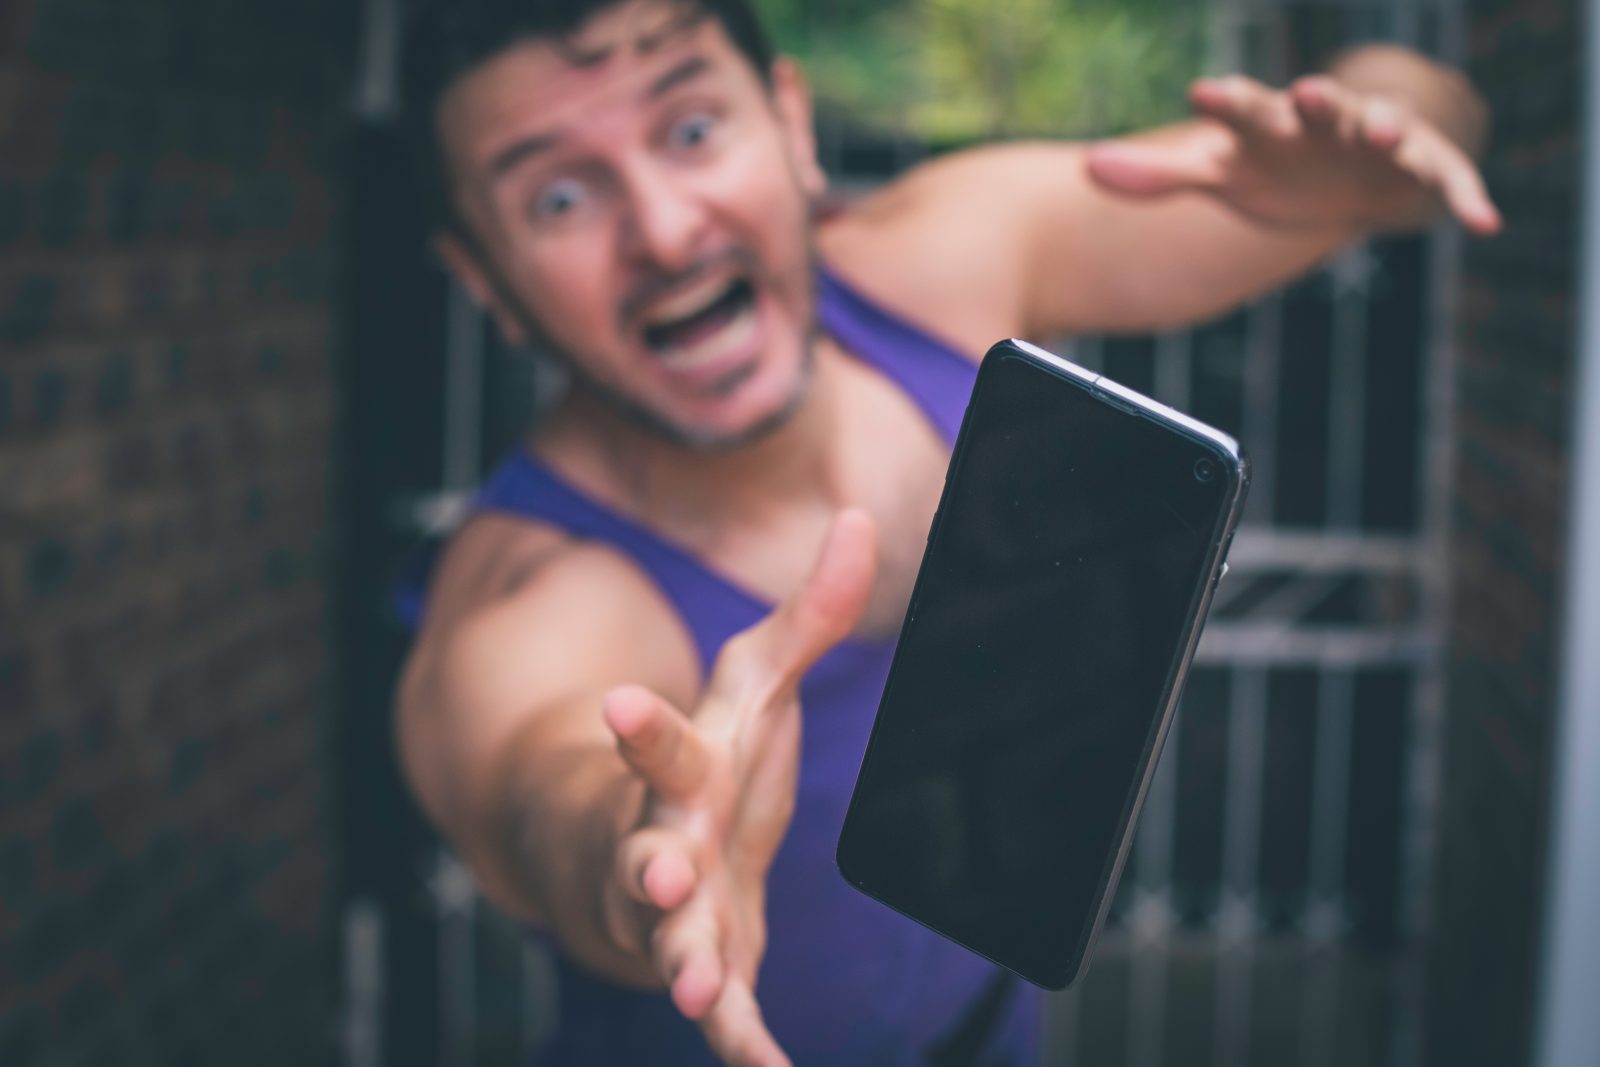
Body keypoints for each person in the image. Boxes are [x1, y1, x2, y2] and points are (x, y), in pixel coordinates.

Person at [393, 1, 1496, 1064]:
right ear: (482, 277)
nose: (667, 231)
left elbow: (1430, 115)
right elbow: (547, 793)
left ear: (788, 120)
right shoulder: (525, 597)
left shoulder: (940, 266)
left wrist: (1379, 132)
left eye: (690, 129)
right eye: (557, 201)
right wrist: (646, 849)